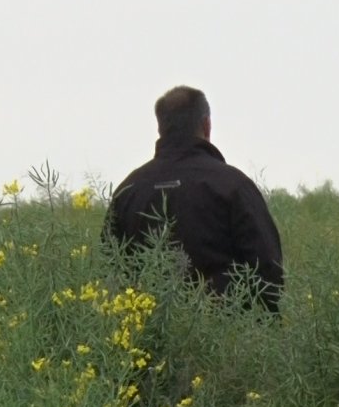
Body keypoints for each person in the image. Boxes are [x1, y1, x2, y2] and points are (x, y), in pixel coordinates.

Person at [101, 86, 283, 312]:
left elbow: (109, 272)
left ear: (160, 128)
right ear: (207, 125)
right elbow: (269, 271)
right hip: (228, 337)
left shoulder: (129, 191)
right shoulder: (234, 186)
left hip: (146, 339)